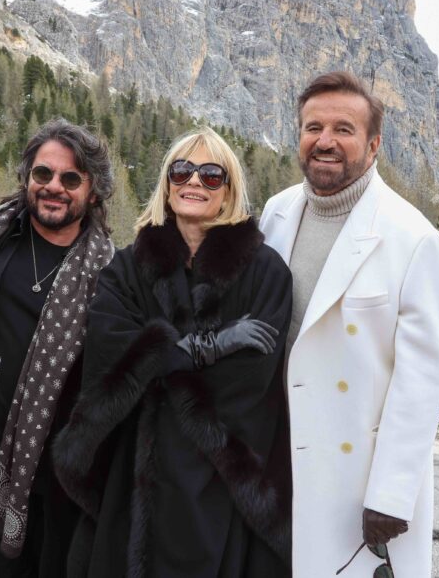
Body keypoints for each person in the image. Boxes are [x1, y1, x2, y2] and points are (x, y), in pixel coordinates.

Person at [53, 127, 294, 577]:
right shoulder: (127, 267)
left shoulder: (265, 272)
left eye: (211, 175)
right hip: (132, 469)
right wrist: (210, 347)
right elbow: (109, 349)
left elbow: (251, 378)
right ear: (167, 184)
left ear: (229, 190)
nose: (194, 182)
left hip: (221, 477)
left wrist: (157, 364)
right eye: (181, 171)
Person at [259, 71, 439, 577]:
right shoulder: (276, 214)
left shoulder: (414, 238)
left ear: (373, 144)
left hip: (357, 479)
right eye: (313, 127)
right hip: (278, 460)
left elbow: (422, 380)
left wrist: (391, 494)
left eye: (343, 129)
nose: (325, 141)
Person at [0, 119, 115, 576]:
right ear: (26, 177)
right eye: (43, 173)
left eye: (71, 179)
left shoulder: (111, 276)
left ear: (94, 192)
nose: (54, 187)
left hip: (42, 486)